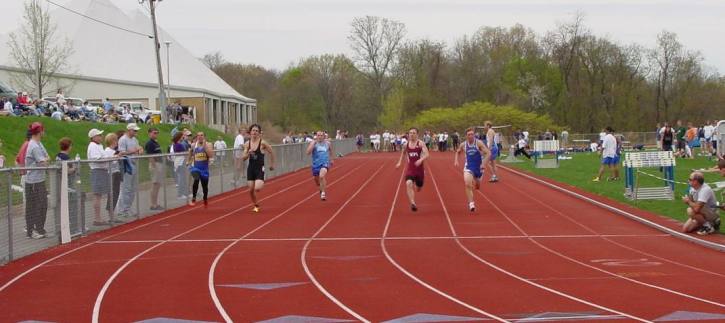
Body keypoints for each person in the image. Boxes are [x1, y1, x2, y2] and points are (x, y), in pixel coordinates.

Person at [454, 127, 490, 212]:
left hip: (479, 167)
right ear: (466, 136)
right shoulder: (463, 144)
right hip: (468, 166)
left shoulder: (479, 143)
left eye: (472, 134)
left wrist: (483, 163)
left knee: (477, 185)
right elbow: (458, 152)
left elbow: (488, 153)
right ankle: (471, 203)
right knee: (467, 183)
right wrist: (456, 160)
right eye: (468, 134)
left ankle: (477, 180)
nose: (470, 136)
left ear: (474, 135)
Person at [243, 124, 276, 212]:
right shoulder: (247, 144)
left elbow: (271, 152)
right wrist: (248, 153)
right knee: (250, 190)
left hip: (259, 168)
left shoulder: (263, 143)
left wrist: (272, 164)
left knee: (257, 188)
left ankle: (261, 179)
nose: (254, 132)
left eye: (256, 131)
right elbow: (243, 158)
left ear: (259, 133)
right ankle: (256, 205)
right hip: (251, 169)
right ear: (250, 132)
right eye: (253, 130)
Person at [24, 122, 49, 239]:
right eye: (43, 130)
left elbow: (47, 157)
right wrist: (45, 161)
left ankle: (39, 228)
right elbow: (43, 162)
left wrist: (45, 160)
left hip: (40, 179)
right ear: (40, 132)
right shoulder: (33, 145)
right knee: (34, 206)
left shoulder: (39, 143)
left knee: (43, 204)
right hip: (33, 181)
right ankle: (31, 230)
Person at [396, 127, 430, 212]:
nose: (411, 134)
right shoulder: (405, 145)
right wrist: (399, 162)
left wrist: (420, 160)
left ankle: (418, 186)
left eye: (414, 133)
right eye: (410, 133)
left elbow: (427, 154)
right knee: (408, 183)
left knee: (418, 187)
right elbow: (403, 153)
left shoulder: (421, 143)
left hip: (419, 170)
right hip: (410, 169)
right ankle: (413, 203)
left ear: (417, 134)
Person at [116, 123, 143, 217]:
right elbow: (122, 152)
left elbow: (138, 148)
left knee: (133, 188)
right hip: (127, 166)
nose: (136, 132)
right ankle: (122, 209)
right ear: (129, 130)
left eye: (136, 130)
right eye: (134, 130)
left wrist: (140, 150)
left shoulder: (135, 139)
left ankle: (128, 207)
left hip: (134, 164)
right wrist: (134, 151)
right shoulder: (123, 139)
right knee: (126, 188)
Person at [87, 129, 112, 226]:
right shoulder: (93, 146)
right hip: (97, 171)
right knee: (97, 195)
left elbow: (103, 156)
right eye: (99, 135)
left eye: (101, 135)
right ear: (93, 137)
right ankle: (97, 218)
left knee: (99, 195)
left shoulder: (99, 146)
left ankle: (99, 218)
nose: (101, 137)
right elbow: (97, 159)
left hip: (102, 170)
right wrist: (108, 158)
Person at [188, 132, 214, 206]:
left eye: (201, 135)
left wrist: (205, 147)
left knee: (204, 186)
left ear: (204, 136)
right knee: (196, 179)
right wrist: (188, 160)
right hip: (196, 167)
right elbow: (190, 152)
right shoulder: (193, 145)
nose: (200, 137)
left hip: (204, 169)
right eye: (198, 135)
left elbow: (211, 155)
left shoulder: (208, 144)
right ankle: (194, 197)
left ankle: (205, 198)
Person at [307, 130, 333, 201]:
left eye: (321, 135)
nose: (320, 137)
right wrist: (312, 144)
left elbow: (331, 151)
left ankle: (323, 193)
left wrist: (331, 159)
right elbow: (308, 152)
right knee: (317, 181)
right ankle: (321, 188)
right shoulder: (313, 143)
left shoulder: (328, 143)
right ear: (316, 136)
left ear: (324, 136)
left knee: (322, 176)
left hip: (325, 163)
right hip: (316, 164)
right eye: (318, 135)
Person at [145, 127, 164, 211]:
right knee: (155, 184)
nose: (156, 134)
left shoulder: (156, 142)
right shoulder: (149, 143)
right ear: (149, 133)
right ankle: (153, 204)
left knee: (158, 185)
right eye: (154, 133)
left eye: (157, 133)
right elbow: (150, 156)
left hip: (159, 163)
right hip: (155, 164)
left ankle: (155, 203)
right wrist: (154, 167)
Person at [104, 133, 122, 219]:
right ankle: (110, 215)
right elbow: (108, 163)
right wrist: (116, 157)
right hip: (111, 173)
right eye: (116, 140)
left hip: (117, 172)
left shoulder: (114, 150)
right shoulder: (107, 151)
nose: (117, 142)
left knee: (116, 193)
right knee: (112, 194)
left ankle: (113, 213)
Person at [170, 132, 190, 200]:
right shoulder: (178, 145)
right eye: (182, 136)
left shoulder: (177, 144)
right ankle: (180, 194)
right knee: (181, 179)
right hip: (180, 162)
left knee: (183, 178)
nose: (183, 137)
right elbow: (183, 153)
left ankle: (184, 193)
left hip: (180, 162)